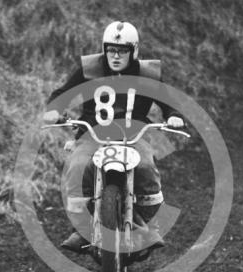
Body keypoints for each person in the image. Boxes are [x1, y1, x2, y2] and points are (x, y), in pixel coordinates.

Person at [43, 21, 185, 253]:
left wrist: (174, 116)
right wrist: (54, 109)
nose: (115, 56)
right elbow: (62, 92)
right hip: (92, 134)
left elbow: (168, 102)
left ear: (134, 51)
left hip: (134, 134)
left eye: (122, 51)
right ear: (104, 49)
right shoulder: (90, 68)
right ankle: (81, 229)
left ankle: (150, 225)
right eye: (110, 50)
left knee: (147, 167)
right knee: (77, 168)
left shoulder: (146, 73)